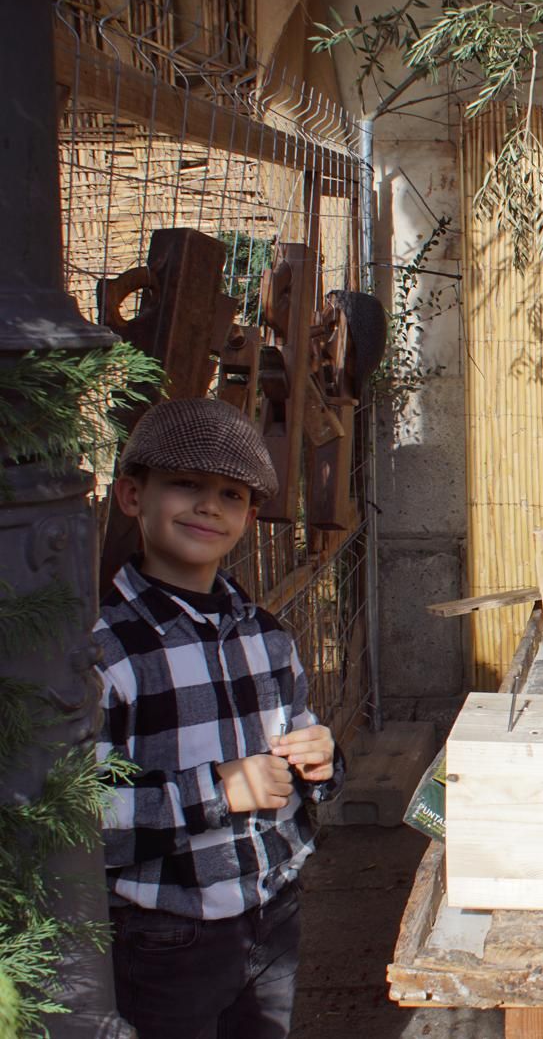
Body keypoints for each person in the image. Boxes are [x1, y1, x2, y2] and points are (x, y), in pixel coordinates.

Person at [95, 397, 343, 1038]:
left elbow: (299, 750)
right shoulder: (104, 653)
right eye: (185, 485)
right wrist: (219, 790)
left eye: (231, 495)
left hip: (274, 911)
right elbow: (78, 823)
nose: (209, 506)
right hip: (166, 938)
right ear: (131, 495)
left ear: (250, 516)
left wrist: (322, 760)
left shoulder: (269, 638)